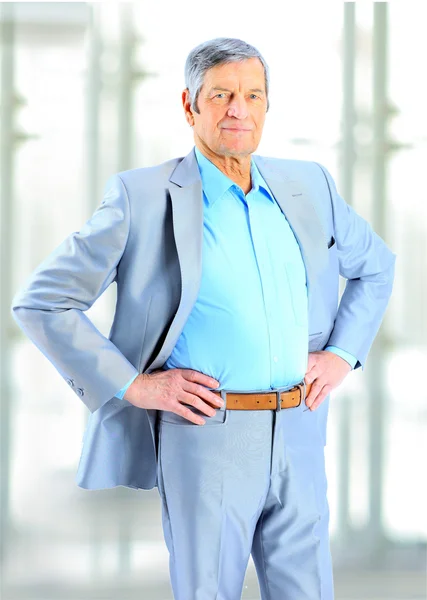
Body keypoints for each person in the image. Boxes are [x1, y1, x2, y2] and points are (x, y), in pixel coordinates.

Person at [11, 37, 396, 599]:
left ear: (267, 105)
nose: (238, 109)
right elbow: (42, 301)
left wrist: (340, 354)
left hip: (300, 429)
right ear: (189, 105)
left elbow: (376, 267)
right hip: (207, 431)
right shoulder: (140, 197)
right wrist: (135, 385)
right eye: (221, 95)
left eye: (252, 95)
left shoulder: (309, 185)